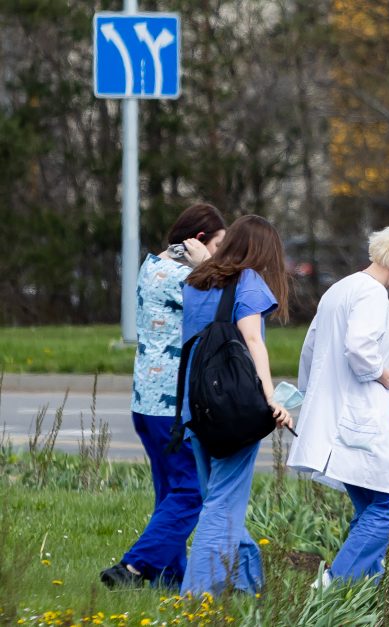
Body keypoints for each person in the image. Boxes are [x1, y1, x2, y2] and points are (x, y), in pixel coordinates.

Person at [287, 223, 389, 587]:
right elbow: (359, 348)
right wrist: (384, 374)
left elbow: (309, 351)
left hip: (338, 416)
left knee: (371, 507)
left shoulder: (340, 289)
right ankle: (335, 583)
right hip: (363, 418)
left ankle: (367, 585)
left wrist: (313, 397)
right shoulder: (371, 294)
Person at [100, 203, 226, 589]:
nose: (221, 253)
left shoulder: (153, 265)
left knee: (171, 491)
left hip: (148, 403)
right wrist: (208, 264)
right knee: (191, 491)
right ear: (199, 240)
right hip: (168, 407)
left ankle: (170, 578)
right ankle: (133, 568)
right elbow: (223, 305)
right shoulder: (177, 276)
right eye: (219, 244)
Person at [178, 215, 293, 597]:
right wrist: (270, 397)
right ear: (261, 251)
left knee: (218, 498)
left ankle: (246, 587)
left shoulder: (196, 282)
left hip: (196, 407)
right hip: (233, 408)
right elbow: (253, 342)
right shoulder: (249, 282)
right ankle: (196, 598)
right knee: (223, 505)